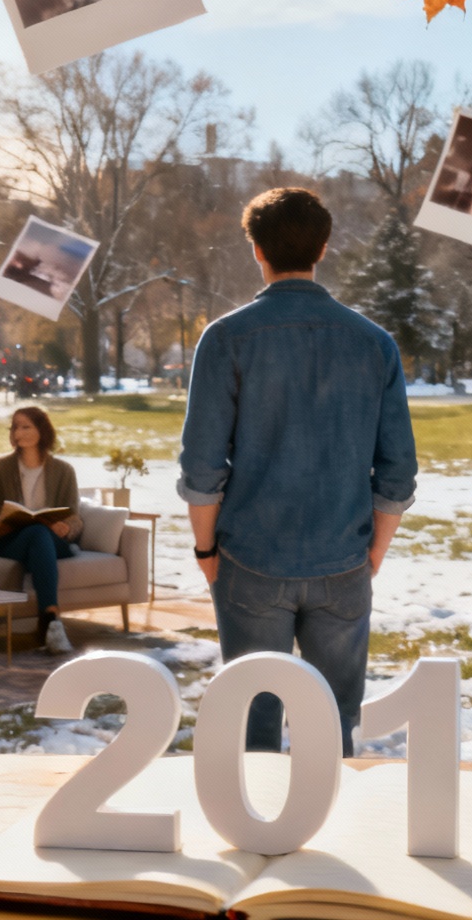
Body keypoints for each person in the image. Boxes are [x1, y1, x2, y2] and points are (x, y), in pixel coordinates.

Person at [179, 187, 418, 757]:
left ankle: (255, 838)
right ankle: (331, 832)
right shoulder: (374, 343)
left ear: (256, 250)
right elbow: (398, 471)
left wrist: (205, 550)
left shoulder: (226, 338)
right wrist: (374, 551)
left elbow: (202, 465)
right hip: (343, 557)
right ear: (324, 248)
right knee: (335, 725)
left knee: (252, 722)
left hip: (250, 558)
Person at [0, 407, 82, 655]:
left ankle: (48, 623)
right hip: (11, 540)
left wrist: (66, 526)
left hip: (50, 540)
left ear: (41, 430)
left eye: (26, 426)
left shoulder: (64, 470)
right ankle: (51, 621)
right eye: (15, 427)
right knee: (36, 533)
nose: (19, 432)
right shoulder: (1, 469)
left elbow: (75, 516)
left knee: (40, 534)